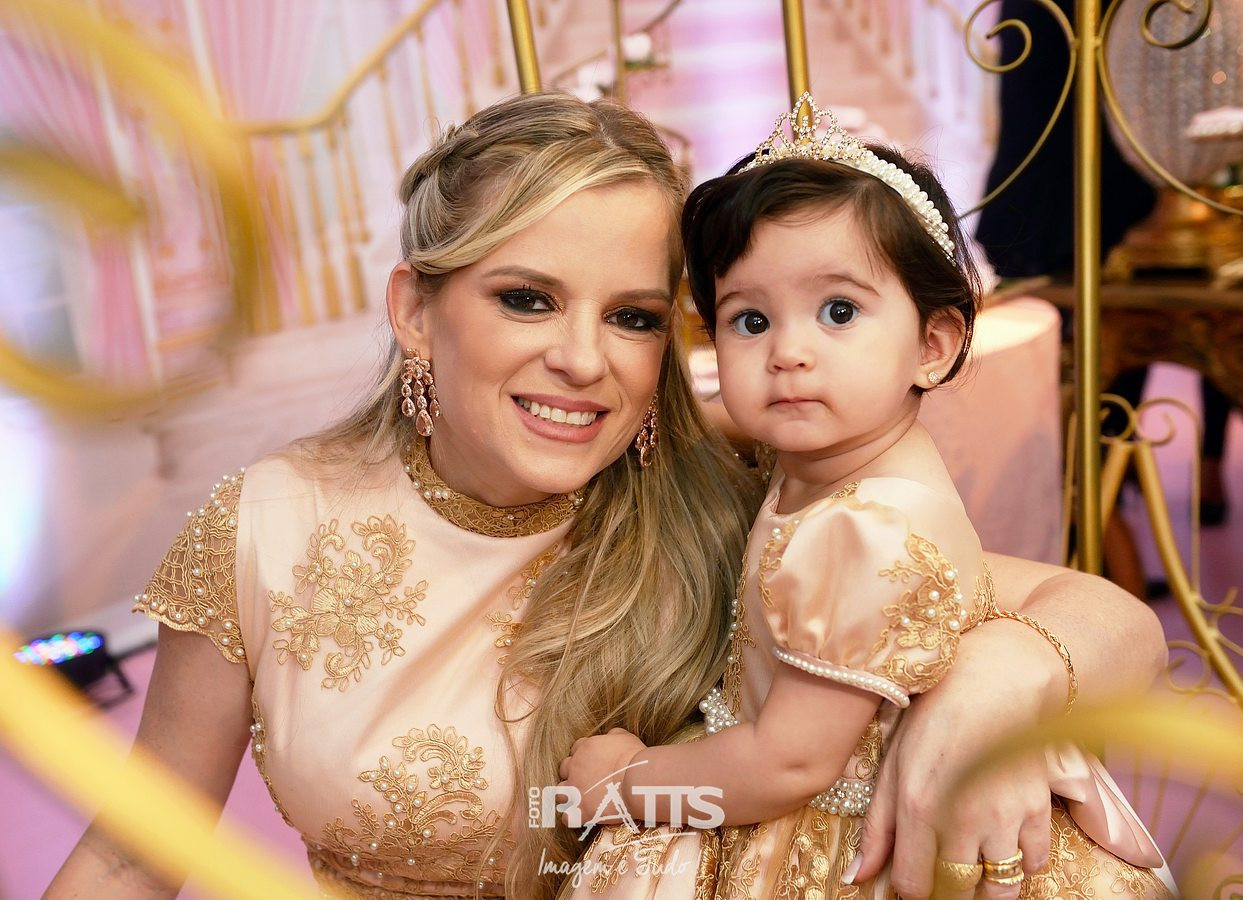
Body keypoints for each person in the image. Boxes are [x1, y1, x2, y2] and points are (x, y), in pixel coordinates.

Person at [45, 92, 1168, 900]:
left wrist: (993, 680)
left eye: (632, 316)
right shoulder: (265, 525)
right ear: (415, 311)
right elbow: (136, 852)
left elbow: (1112, 621)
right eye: (526, 299)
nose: (584, 361)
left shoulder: (724, 492)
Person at [560, 95, 1174, 898]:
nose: (788, 352)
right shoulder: (834, 459)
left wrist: (629, 780)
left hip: (834, 836)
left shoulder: (861, 531)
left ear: (932, 345)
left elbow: (785, 763)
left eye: (838, 311)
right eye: (749, 321)